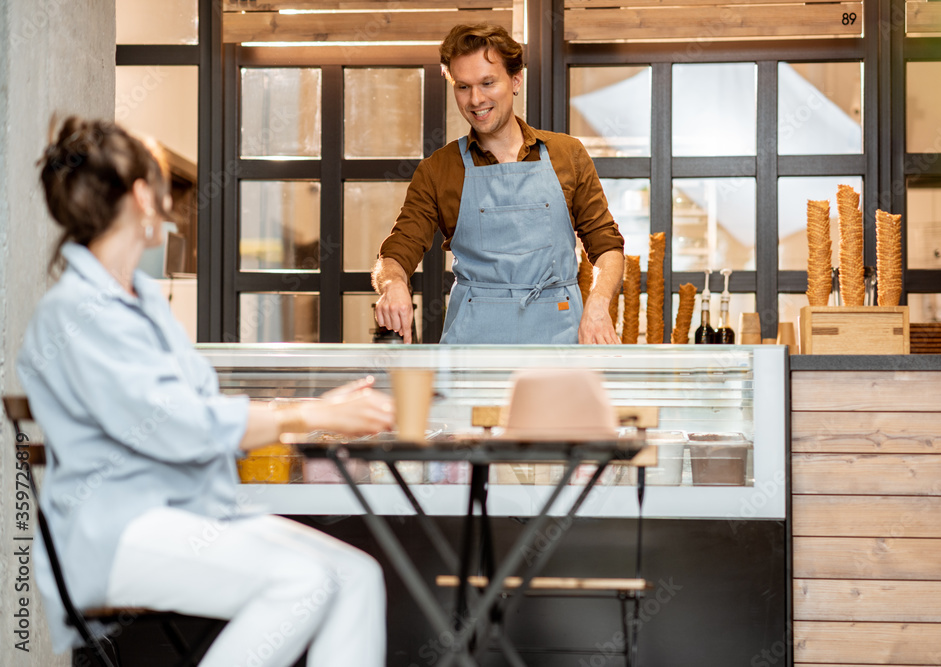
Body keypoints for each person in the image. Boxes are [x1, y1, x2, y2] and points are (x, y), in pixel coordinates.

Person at [17, 117, 393, 667]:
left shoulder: (142, 299)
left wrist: (313, 412)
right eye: (165, 188)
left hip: (190, 512)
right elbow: (179, 426)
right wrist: (309, 411)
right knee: (302, 582)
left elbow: (197, 411)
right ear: (144, 196)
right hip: (117, 533)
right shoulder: (77, 311)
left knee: (357, 577)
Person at [372, 23, 625, 345]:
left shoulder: (567, 154)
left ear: (516, 80)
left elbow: (607, 245)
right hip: (474, 342)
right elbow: (397, 251)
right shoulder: (438, 170)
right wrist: (393, 285)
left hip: (560, 338)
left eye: (487, 83)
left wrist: (599, 304)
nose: (475, 99)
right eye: (462, 87)